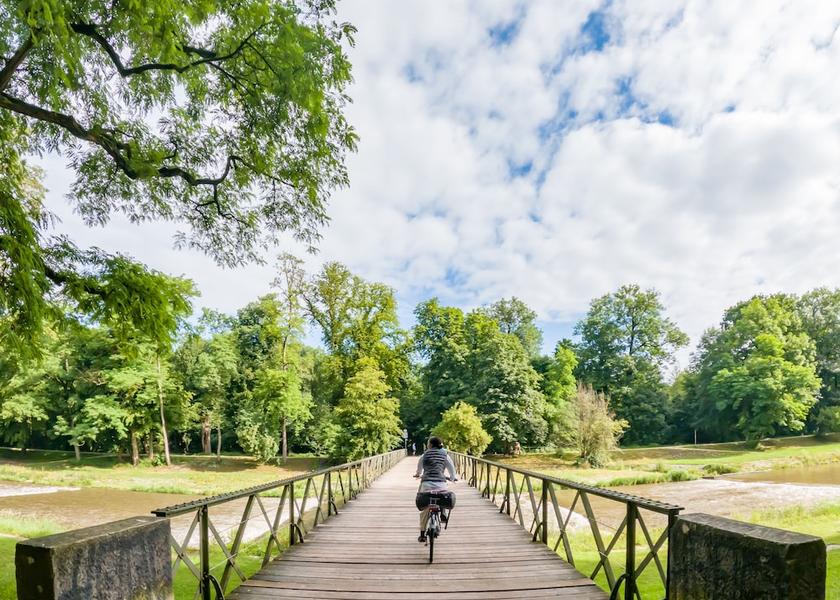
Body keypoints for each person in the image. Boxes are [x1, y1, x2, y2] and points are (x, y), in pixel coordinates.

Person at [413, 436, 457, 542]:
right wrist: (452, 478)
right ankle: (442, 511)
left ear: (430, 445)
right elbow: (451, 468)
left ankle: (422, 534)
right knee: (442, 495)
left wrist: (418, 474)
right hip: (441, 482)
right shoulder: (445, 454)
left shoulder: (425, 455)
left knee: (424, 508)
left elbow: (419, 469)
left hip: (426, 483)